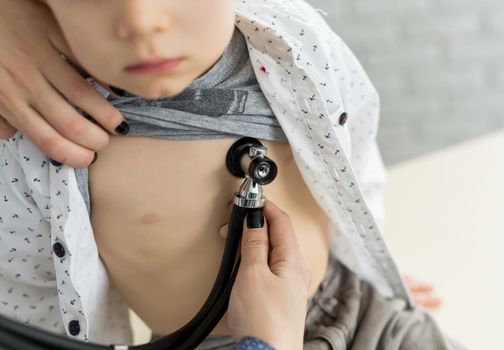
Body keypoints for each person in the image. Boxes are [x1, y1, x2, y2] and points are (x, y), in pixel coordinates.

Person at [0, 0, 457, 349]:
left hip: (357, 306)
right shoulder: (41, 133)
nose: (140, 22)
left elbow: (353, 152)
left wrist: (369, 262)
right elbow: (29, 296)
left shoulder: (295, 43)